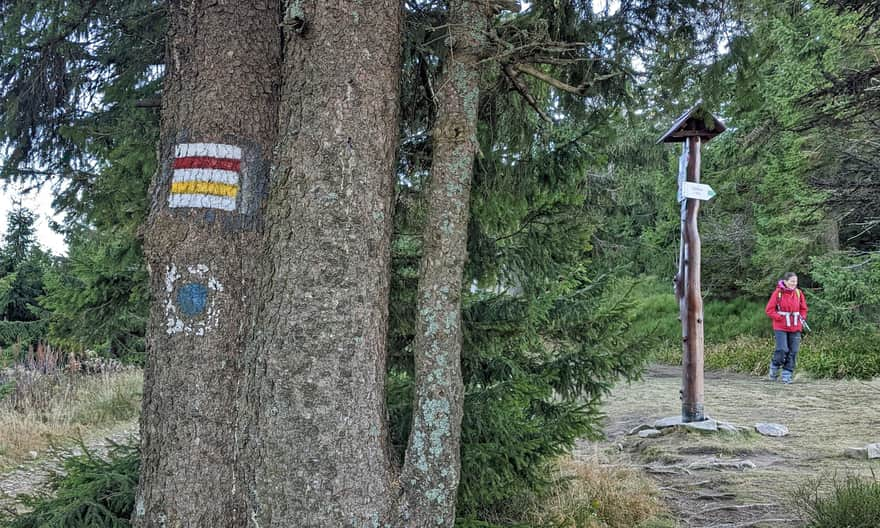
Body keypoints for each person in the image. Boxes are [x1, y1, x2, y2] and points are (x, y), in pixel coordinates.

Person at [764, 272, 808, 384]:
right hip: (781, 326)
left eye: (796, 282)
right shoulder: (778, 293)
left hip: (795, 325)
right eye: (792, 281)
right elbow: (769, 310)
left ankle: (787, 376)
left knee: (793, 351)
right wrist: (779, 317)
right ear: (785, 281)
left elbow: (803, 308)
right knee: (782, 349)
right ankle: (774, 368)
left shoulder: (798, 293)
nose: (794, 284)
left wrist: (801, 317)